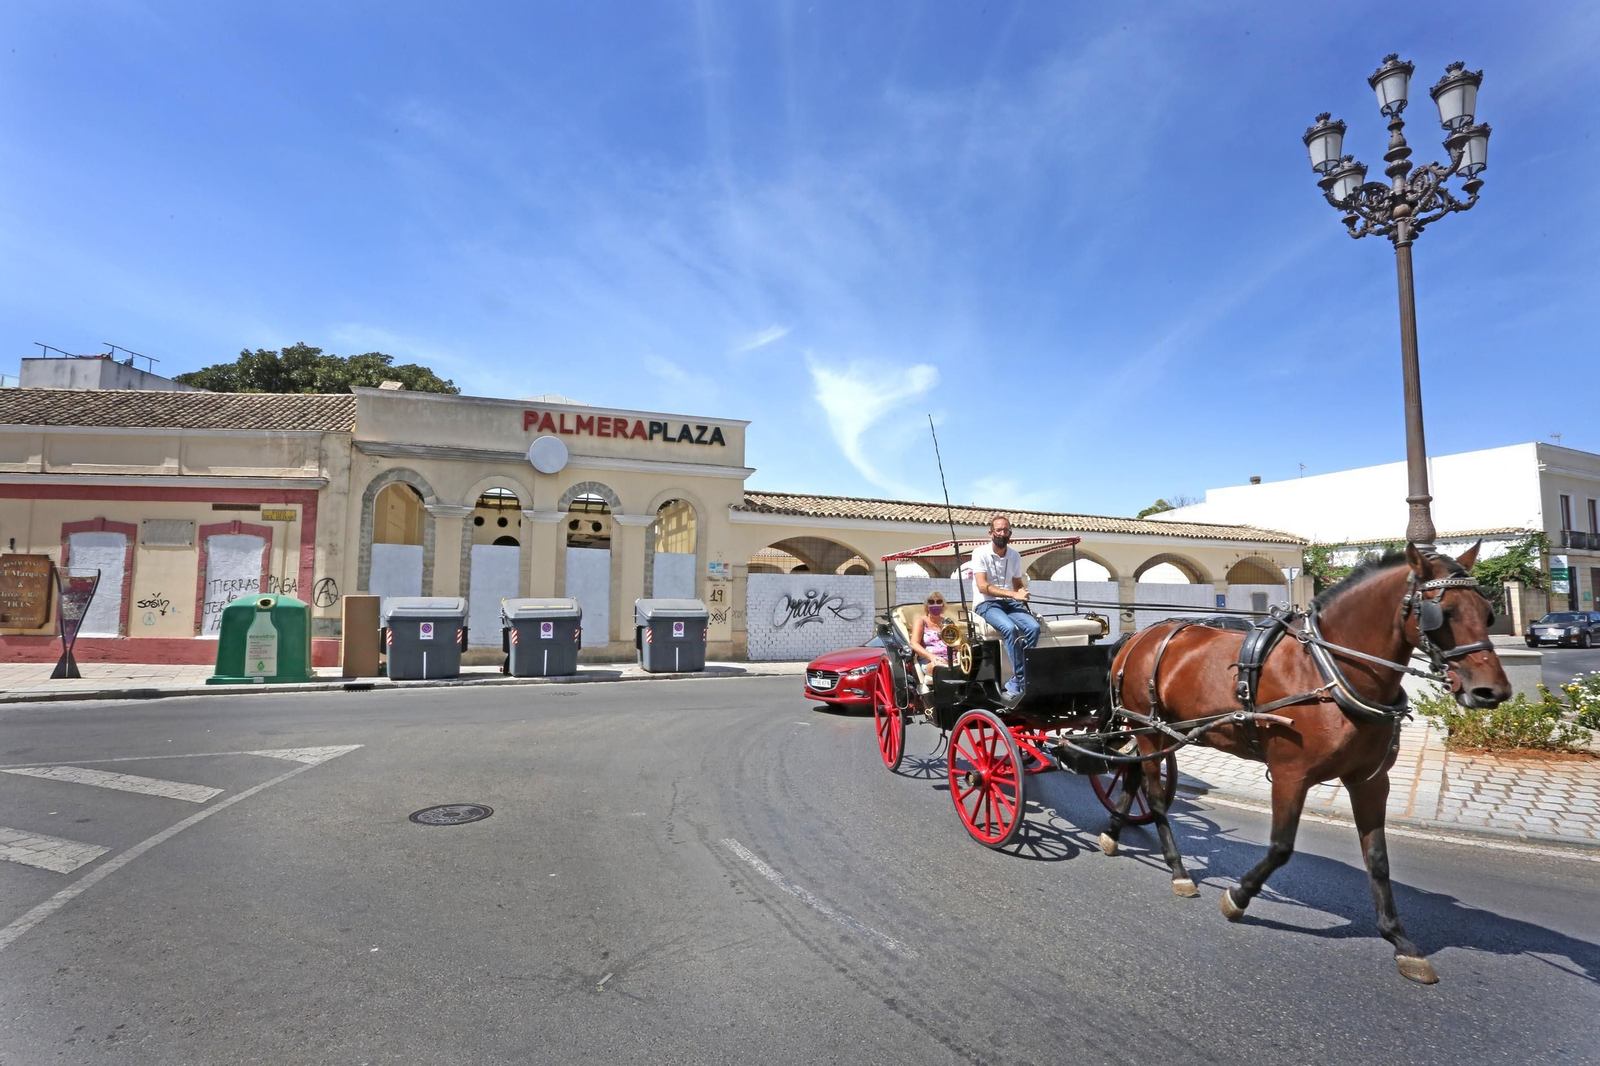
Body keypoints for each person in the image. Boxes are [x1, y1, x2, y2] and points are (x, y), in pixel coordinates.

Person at [970, 515, 1039, 695]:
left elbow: (1017, 583)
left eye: (1006, 530)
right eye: (999, 530)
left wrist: (1022, 592)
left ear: (1010, 533)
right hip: (986, 604)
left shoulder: (1014, 555)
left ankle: (1019, 678)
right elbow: (982, 586)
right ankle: (1024, 680)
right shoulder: (980, 553)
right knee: (1009, 628)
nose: (1002, 533)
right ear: (991, 533)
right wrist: (1013, 594)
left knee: (1034, 627)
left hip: (1009, 603)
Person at [908, 591, 951, 686]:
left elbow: (956, 642)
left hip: (951, 657)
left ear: (943, 605)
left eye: (939, 601)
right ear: (927, 606)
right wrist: (931, 656)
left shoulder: (947, 622)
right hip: (929, 660)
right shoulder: (921, 621)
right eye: (931, 602)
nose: (935, 604)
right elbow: (914, 643)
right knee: (942, 665)